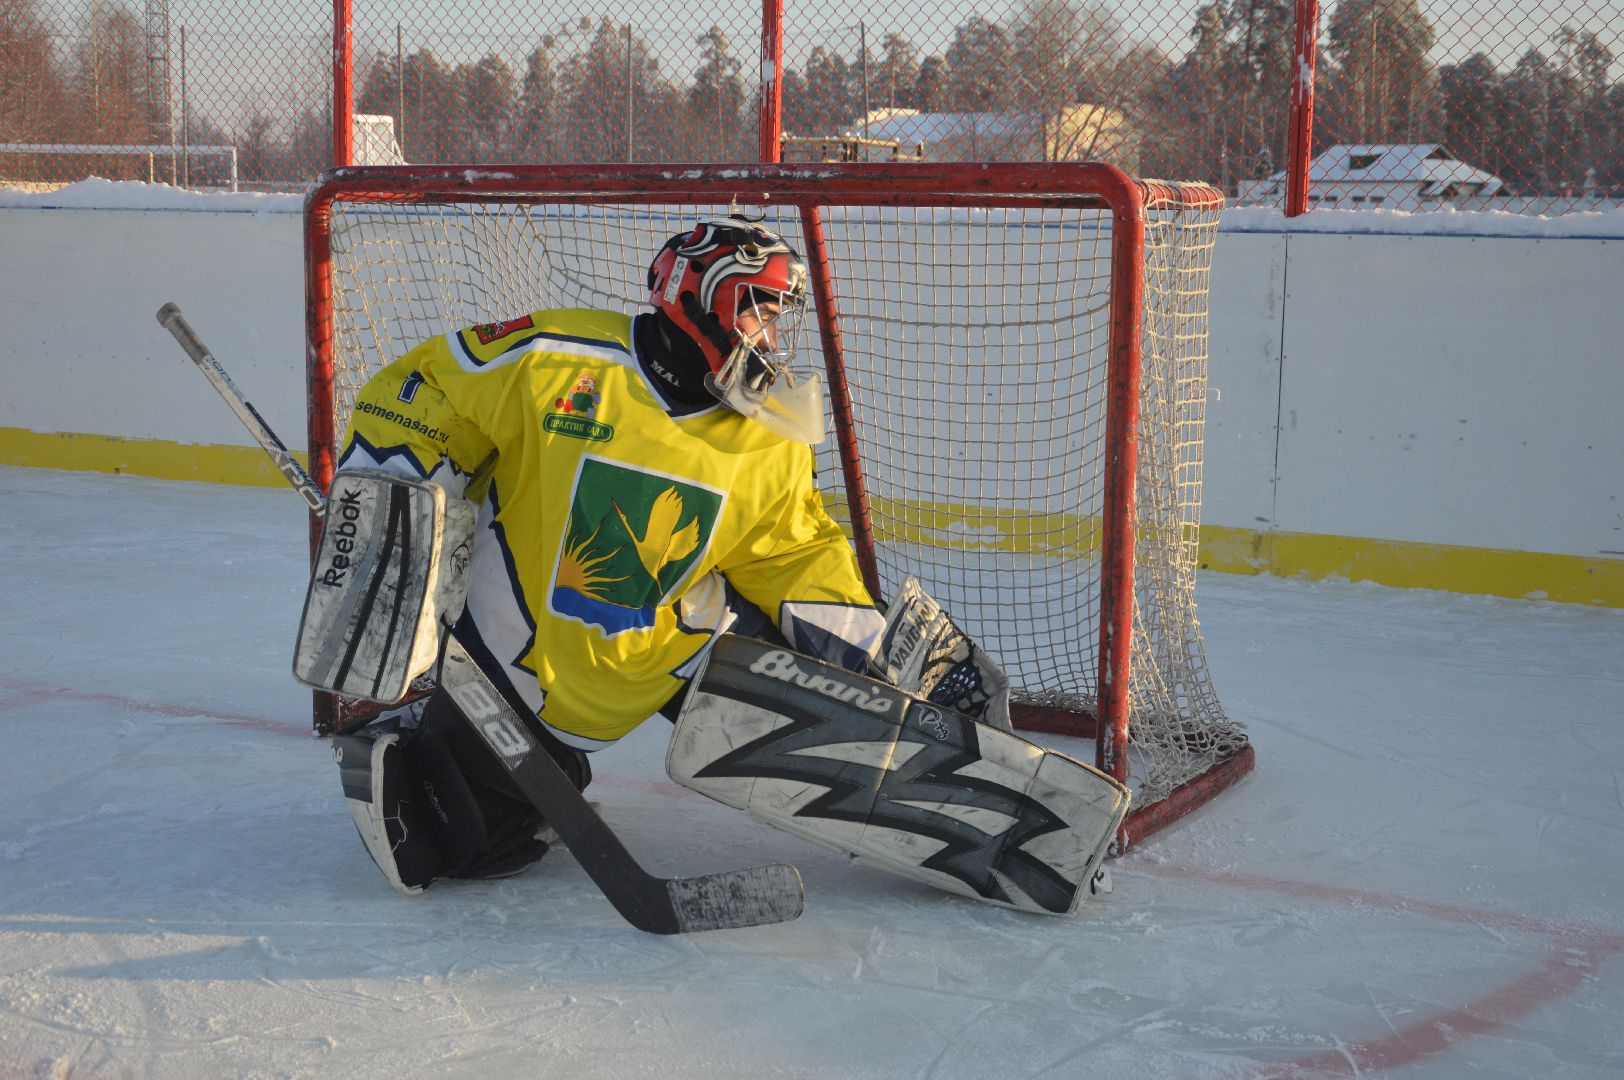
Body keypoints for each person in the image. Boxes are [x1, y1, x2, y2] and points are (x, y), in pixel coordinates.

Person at [326, 217, 888, 894]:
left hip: (676, 648)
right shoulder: (555, 356)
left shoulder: (770, 436)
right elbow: (423, 386)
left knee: (805, 692)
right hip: (520, 656)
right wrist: (401, 492)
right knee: (455, 843)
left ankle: (911, 782)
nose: (769, 340)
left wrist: (861, 648)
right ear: (703, 300)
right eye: (757, 314)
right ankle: (481, 750)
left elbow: (792, 550)